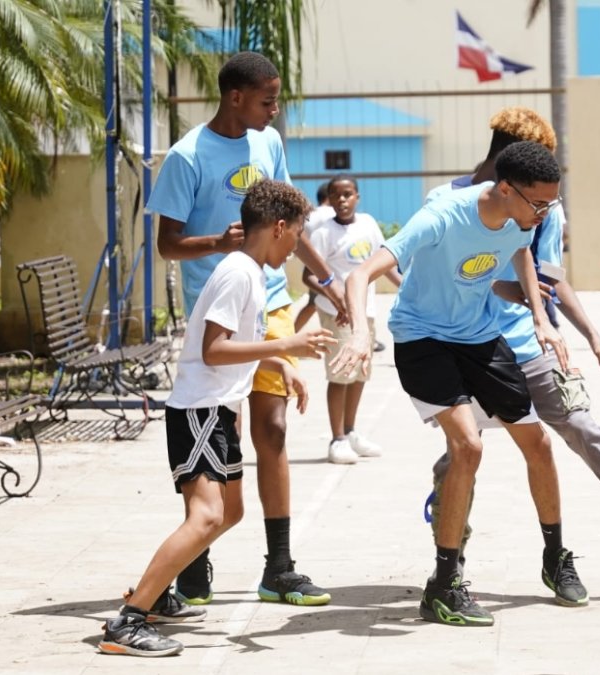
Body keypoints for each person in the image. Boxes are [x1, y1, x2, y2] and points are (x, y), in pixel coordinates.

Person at [426, 107, 600, 600]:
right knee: (461, 456)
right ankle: (451, 562)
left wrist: (590, 333)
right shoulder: (445, 202)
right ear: (510, 164)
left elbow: (547, 278)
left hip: (530, 344)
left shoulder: (544, 206)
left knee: (578, 426)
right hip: (463, 346)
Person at [331, 141, 577, 626]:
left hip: (481, 336)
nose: (545, 214)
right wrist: (361, 332)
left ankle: (555, 557)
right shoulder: (443, 216)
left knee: (540, 444)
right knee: (468, 447)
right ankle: (443, 586)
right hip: (423, 339)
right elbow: (360, 276)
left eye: (552, 204)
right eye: (539, 204)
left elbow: (522, 252)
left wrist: (541, 316)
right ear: (505, 189)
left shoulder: (520, 218)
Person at [100, 180, 336, 657]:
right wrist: (285, 346)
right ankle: (128, 622)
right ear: (278, 227)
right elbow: (213, 350)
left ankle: (156, 593)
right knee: (207, 516)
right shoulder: (238, 274)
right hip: (199, 411)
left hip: (217, 411)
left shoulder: (249, 273)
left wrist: (280, 368)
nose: (296, 248)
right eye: (296, 236)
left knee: (230, 512)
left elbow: (236, 346)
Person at [149, 52, 343, 607]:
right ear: (235, 97)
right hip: (220, 307)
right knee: (218, 435)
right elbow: (167, 245)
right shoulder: (188, 157)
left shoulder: (270, 143)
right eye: (267, 99)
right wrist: (220, 243)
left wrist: (326, 277)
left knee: (274, 428)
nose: (275, 108)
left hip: (272, 298)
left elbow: (290, 213)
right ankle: (193, 557)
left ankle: (279, 566)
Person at [305, 175, 398, 463]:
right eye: (336, 195)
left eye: (348, 194)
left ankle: (351, 431)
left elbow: (383, 263)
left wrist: (405, 287)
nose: (342, 200)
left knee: (360, 373)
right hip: (338, 314)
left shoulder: (368, 224)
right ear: (329, 200)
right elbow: (308, 275)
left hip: (364, 311)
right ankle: (337, 439)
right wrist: (336, 298)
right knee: (340, 374)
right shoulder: (323, 233)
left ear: (357, 196)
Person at [292, 180, 335, 332]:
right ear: (330, 196)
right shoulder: (333, 214)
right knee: (319, 304)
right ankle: (290, 337)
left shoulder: (308, 215)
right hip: (330, 267)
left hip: (311, 265)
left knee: (313, 304)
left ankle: (291, 335)